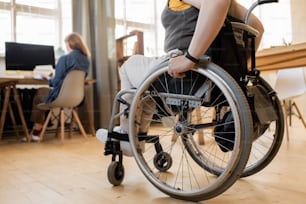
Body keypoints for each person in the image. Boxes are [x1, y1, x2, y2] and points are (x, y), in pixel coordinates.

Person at [96, 0, 264, 156]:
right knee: (146, 81)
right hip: (210, 81)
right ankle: (135, 139)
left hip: (183, 76)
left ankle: (127, 135)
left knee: (129, 65)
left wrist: (190, 58)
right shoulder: (232, 4)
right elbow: (256, 27)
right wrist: (236, 70)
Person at [23, 32, 91, 142]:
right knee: (43, 93)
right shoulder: (85, 60)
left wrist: (47, 78)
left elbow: (55, 82)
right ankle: (38, 129)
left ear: (69, 44)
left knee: (40, 93)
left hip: (61, 96)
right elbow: (71, 78)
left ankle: (36, 131)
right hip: (77, 98)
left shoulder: (64, 58)